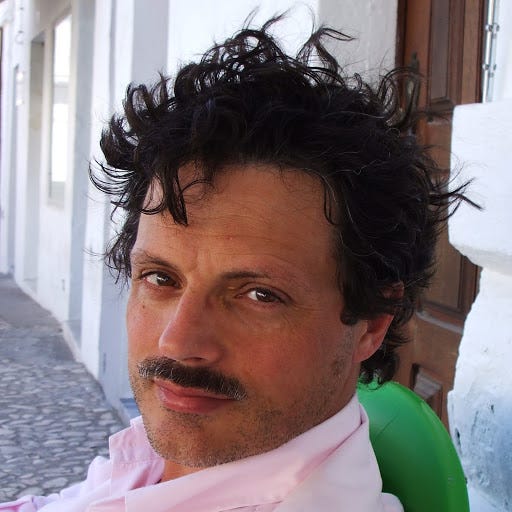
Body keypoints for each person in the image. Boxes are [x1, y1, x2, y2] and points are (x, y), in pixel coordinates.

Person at [1, 15, 471, 512]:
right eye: (160, 277)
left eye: (259, 294)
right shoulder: (155, 462)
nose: (177, 342)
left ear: (371, 323)